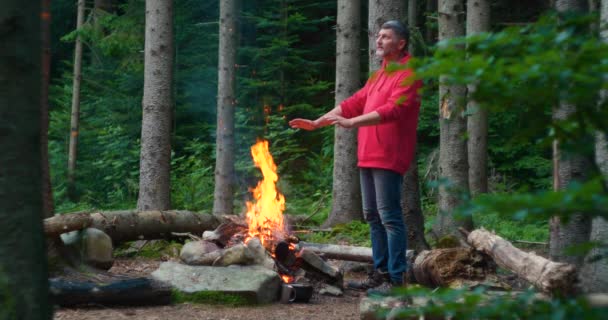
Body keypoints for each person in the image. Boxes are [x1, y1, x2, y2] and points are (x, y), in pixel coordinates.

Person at [289, 20, 422, 294]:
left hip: (389, 154)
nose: (379, 41)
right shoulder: (379, 74)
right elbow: (353, 102)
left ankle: (396, 280)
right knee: (373, 217)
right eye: (378, 36)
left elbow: (393, 110)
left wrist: (352, 123)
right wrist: (318, 122)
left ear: (401, 43)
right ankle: (380, 273)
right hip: (367, 155)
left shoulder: (409, 72)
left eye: (385, 37)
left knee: (389, 217)